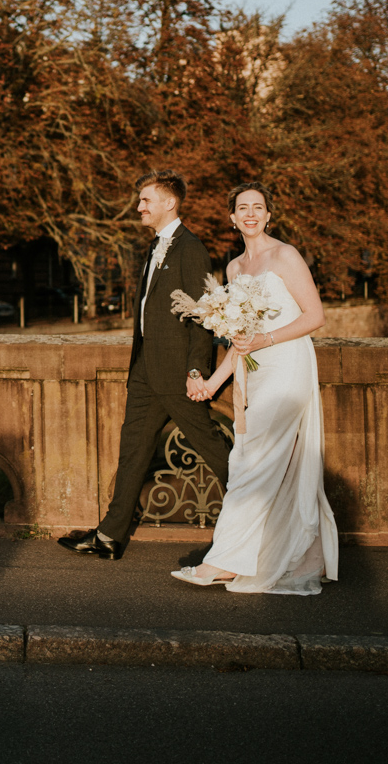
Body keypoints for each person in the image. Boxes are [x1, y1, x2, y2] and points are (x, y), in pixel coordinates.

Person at [172, 182, 339, 594]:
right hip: (253, 372)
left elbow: (315, 316)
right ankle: (304, 557)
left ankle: (223, 562)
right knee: (250, 457)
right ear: (232, 218)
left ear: (268, 215)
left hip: (286, 367)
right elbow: (237, 339)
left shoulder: (285, 255)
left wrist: (264, 340)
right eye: (242, 208)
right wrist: (212, 382)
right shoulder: (232, 269)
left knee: (250, 464)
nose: (250, 213)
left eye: (258, 207)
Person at [58, 169, 231, 560]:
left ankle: (261, 524)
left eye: (145, 200)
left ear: (169, 203)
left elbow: (203, 315)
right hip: (144, 372)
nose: (139, 207)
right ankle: (109, 536)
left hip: (175, 373)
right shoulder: (155, 247)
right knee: (132, 452)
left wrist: (194, 371)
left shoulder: (191, 248)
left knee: (213, 449)